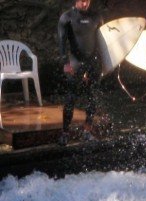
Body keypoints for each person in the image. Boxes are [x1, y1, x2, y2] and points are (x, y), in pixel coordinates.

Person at [57, 0, 104, 145]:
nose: (85, 4)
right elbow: (62, 42)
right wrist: (65, 63)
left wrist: (106, 63)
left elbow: (104, 41)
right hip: (75, 62)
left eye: (88, 1)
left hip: (93, 62)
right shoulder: (67, 17)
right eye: (83, 1)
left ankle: (87, 129)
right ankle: (65, 132)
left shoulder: (97, 17)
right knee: (71, 97)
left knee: (93, 96)